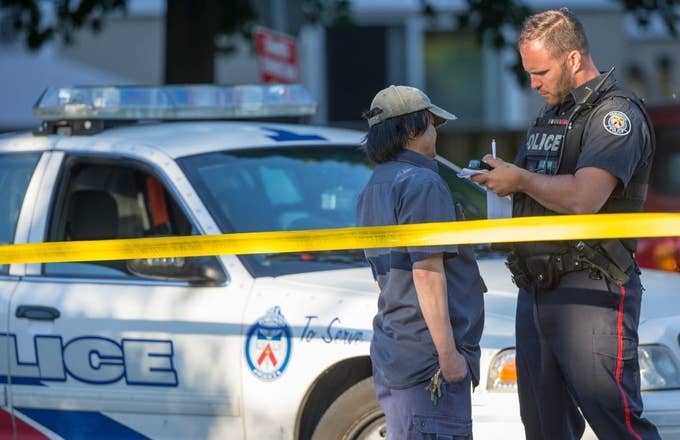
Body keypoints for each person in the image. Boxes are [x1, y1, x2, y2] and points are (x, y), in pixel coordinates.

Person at [472, 8, 659, 440]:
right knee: (542, 426)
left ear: (573, 59)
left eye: (541, 72)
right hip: (537, 289)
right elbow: (535, 186)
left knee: (616, 423)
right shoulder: (551, 114)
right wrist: (502, 177)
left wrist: (518, 178)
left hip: (591, 288)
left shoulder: (616, 116)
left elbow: (583, 198)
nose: (533, 83)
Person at [356, 85, 486, 439]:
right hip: (430, 361)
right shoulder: (423, 182)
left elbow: (382, 278)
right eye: (432, 124)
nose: (436, 134)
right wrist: (449, 356)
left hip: (395, 350)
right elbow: (427, 272)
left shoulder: (375, 185)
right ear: (412, 130)